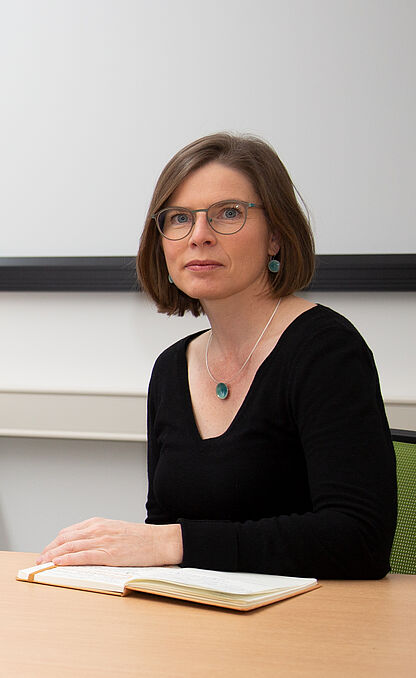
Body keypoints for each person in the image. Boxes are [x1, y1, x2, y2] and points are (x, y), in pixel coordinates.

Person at [39, 133, 395, 578]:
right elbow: (164, 535)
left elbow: (360, 540)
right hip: (199, 627)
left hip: (309, 630)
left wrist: (172, 540)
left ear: (276, 237)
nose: (199, 236)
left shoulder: (326, 351)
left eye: (228, 213)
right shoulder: (172, 368)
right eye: (180, 218)